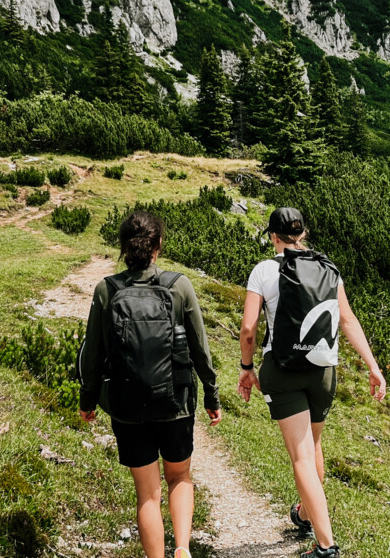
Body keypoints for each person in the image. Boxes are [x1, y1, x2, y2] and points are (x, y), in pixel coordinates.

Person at [237, 207, 387, 558]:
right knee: (314, 445)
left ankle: (326, 547)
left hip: (284, 371)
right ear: (301, 234)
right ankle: (306, 513)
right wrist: (373, 367)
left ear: (273, 236)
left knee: (301, 457)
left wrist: (247, 367)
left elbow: (248, 329)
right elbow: (347, 320)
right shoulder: (328, 268)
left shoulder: (264, 270)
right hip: (323, 372)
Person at [79, 211, 222, 558]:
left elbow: (92, 354)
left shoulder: (106, 290)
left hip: (127, 408)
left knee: (147, 493)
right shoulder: (179, 286)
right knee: (180, 477)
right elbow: (200, 348)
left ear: (124, 247)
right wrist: (211, 394)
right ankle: (183, 548)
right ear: (158, 245)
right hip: (175, 402)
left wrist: (87, 401)